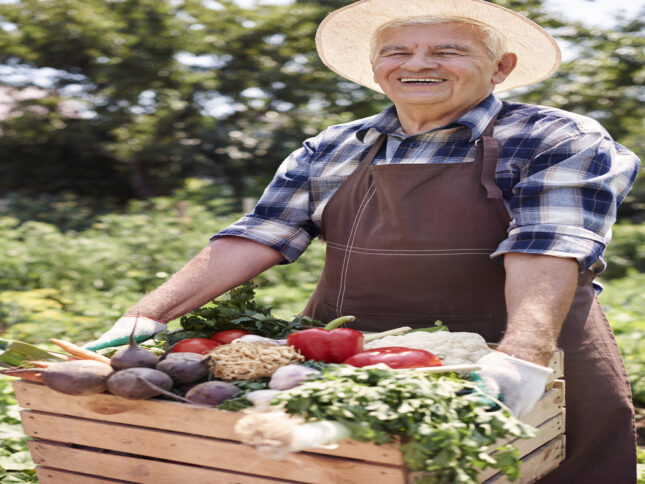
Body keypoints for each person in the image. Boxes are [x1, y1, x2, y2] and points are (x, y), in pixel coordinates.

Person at [85, 0, 639, 481]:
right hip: (348, 360)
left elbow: (549, 243)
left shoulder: (555, 137)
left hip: (525, 361)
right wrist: (144, 318)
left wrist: (521, 359)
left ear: (501, 68)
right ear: (376, 67)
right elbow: (261, 234)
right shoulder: (333, 146)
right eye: (397, 51)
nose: (418, 63)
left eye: (448, 50)